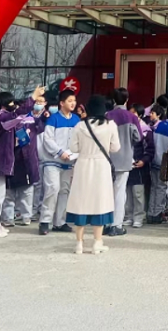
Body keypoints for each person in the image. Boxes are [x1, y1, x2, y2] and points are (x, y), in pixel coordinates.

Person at [0, 88, 42, 238]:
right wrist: (33, 97)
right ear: (3, 103)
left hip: (0, 161)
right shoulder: (0, 117)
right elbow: (18, 114)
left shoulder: (0, 117)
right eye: (10, 102)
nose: (13, 104)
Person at [67, 95, 120, 254]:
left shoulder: (80, 125)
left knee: (81, 202)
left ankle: (79, 243)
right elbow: (115, 147)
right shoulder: (110, 125)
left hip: (83, 165)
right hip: (101, 166)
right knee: (100, 202)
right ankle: (97, 242)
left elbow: (73, 148)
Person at [39, 89, 80, 235]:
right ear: (61, 103)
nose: (73, 103)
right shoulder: (53, 119)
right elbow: (48, 139)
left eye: (74, 101)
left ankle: (60, 222)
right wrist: (59, 152)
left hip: (69, 161)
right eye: (70, 101)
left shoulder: (76, 119)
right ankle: (45, 221)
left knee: (64, 190)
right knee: (52, 189)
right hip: (53, 160)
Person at [1, 94, 46, 227]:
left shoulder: (32, 119)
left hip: (28, 159)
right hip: (12, 159)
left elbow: (40, 128)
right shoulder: (11, 120)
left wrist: (41, 117)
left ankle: (26, 216)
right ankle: (8, 218)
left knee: (27, 190)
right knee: (9, 191)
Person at [105, 88, 142, 236]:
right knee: (120, 192)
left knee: (107, 192)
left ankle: (106, 223)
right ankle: (117, 225)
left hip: (108, 159)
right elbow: (138, 137)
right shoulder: (131, 117)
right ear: (126, 100)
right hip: (125, 158)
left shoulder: (107, 115)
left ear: (114, 100)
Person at [124, 104, 154, 229]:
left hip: (140, 165)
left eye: (134, 113)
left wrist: (144, 160)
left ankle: (138, 217)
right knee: (128, 193)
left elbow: (150, 149)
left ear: (140, 115)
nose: (131, 115)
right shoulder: (126, 127)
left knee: (138, 193)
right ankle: (128, 216)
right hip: (128, 164)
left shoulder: (146, 130)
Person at [33, 99, 58, 219]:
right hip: (36, 156)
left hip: (50, 157)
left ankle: (43, 209)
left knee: (48, 186)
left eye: (42, 102)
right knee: (37, 185)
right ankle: (35, 208)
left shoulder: (51, 119)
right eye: (37, 102)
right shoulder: (35, 118)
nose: (39, 104)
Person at [147, 105, 168, 224]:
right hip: (164, 161)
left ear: (159, 114)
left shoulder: (151, 128)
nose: (150, 115)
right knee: (160, 187)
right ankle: (157, 213)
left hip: (155, 161)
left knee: (155, 187)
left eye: (152, 113)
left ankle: (152, 213)